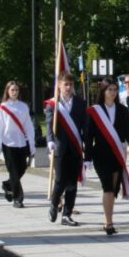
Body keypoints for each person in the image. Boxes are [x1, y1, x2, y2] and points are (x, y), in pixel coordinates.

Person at [85, 77, 129, 236]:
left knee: (114, 189)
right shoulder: (94, 111)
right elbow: (88, 137)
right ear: (103, 91)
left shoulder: (122, 110)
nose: (113, 93)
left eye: (115, 89)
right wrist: (87, 158)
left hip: (117, 153)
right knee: (107, 187)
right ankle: (108, 222)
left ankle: (107, 217)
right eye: (110, 89)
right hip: (100, 154)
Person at [45, 72, 87, 226]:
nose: (68, 87)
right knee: (60, 180)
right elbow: (49, 124)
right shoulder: (53, 105)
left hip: (75, 148)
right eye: (65, 84)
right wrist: (50, 140)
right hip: (60, 148)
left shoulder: (81, 103)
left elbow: (85, 126)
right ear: (59, 86)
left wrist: (87, 145)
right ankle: (54, 204)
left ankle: (67, 214)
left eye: (70, 84)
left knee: (72, 183)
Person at [0, 80, 36, 208]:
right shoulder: (3, 107)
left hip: (21, 142)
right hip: (8, 143)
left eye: (16, 90)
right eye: (12, 90)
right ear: (7, 91)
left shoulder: (23, 106)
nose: (15, 92)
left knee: (22, 168)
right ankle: (18, 198)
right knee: (14, 173)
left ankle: (7, 185)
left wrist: (32, 143)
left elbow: (28, 126)